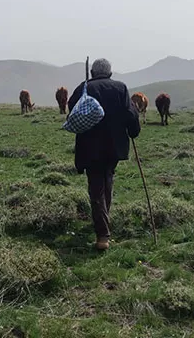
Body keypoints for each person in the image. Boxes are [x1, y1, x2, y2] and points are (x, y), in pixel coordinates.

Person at [67, 58, 140, 250]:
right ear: (109, 73)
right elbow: (130, 114)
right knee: (107, 181)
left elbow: (71, 111)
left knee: (96, 186)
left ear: (92, 72)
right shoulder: (120, 88)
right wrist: (133, 130)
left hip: (90, 147)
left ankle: (102, 235)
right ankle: (103, 225)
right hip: (114, 147)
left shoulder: (83, 88)